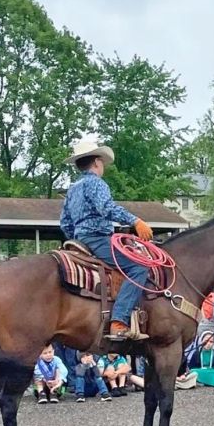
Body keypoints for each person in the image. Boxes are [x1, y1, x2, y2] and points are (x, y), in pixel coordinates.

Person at [59, 140, 154, 341]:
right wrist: (135, 220)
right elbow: (107, 208)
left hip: (80, 240)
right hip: (98, 239)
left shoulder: (73, 188)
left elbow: (65, 223)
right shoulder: (96, 183)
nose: (102, 166)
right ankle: (119, 320)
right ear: (96, 162)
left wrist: (77, 237)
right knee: (139, 266)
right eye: (101, 162)